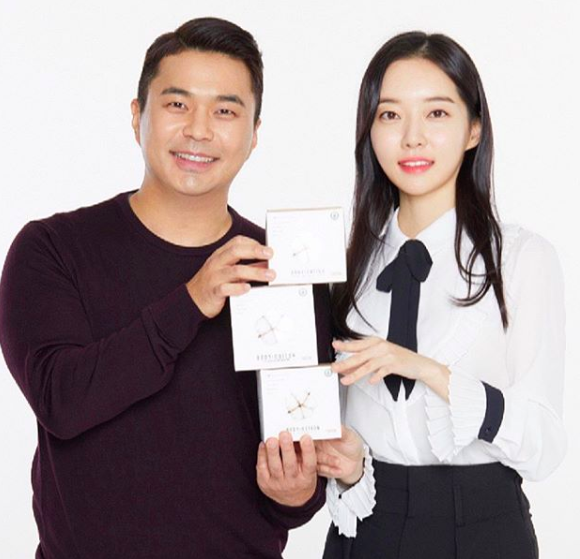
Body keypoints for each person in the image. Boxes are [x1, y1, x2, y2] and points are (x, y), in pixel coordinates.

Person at [0, 17, 332, 559]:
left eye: (225, 111)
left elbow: (297, 458)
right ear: (138, 116)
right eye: (178, 104)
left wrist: (297, 492)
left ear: (254, 134)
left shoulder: (281, 269)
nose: (199, 130)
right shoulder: (51, 249)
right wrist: (193, 300)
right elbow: (60, 401)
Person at [314, 31, 566, 558]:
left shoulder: (520, 260)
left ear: (474, 129)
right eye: (389, 115)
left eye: (436, 113)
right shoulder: (342, 266)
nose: (412, 138)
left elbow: (543, 445)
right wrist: (349, 465)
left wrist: (428, 371)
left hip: (482, 528)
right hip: (367, 531)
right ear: (369, 130)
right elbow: (340, 431)